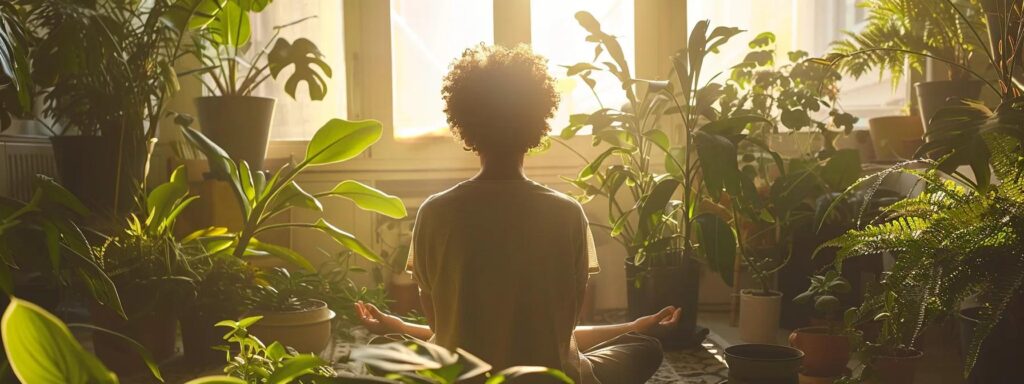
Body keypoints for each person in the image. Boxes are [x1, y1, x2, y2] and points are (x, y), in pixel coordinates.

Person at [354, 44, 680, 383]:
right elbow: (560, 334)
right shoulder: (567, 213)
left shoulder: (434, 213)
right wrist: (634, 327)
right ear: (537, 122)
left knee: (382, 348)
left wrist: (400, 327)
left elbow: (446, 333)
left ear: (463, 123)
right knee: (644, 347)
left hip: (463, 378)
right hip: (551, 379)